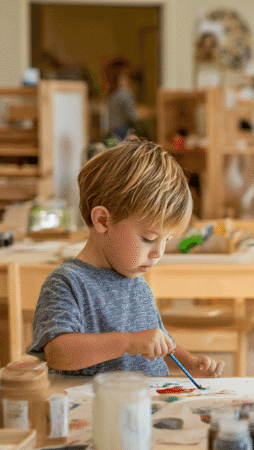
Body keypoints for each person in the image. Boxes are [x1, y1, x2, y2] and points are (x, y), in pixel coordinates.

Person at [28, 138, 224, 377]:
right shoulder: (67, 283)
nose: (158, 253)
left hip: (141, 405)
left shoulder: (137, 283)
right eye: (149, 239)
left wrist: (190, 363)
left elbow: (158, 346)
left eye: (167, 240)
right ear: (103, 220)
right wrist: (128, 342)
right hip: (93, 410)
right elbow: (59, 354)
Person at [102, 56, 140, 141]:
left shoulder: (110, 94)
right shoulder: (124, 93)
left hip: (110, 134)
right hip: (121, 133)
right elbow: (133, 116)